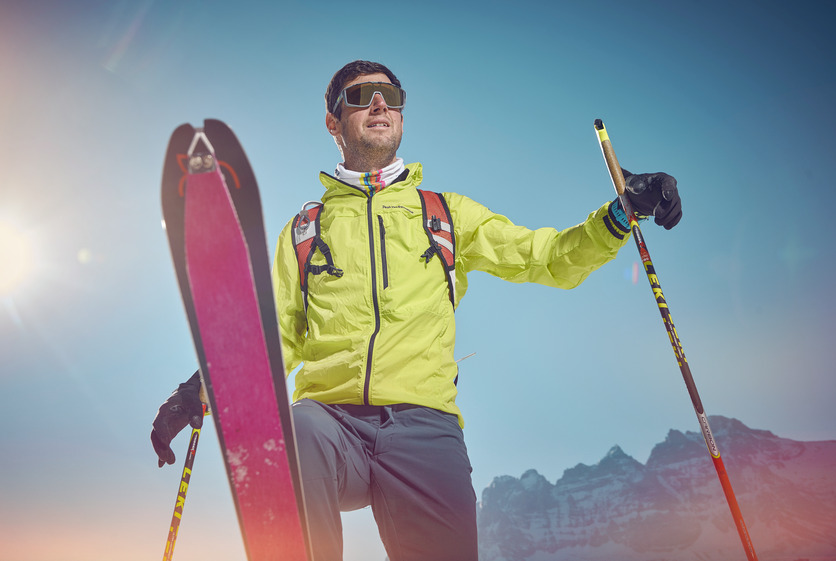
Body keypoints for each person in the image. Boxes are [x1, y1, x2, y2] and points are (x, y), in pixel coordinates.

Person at [151, 60, 682, 561]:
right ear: (333, 122)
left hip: (425, 428)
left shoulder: (445, 214)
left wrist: (620, 214)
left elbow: (547, 258)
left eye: (391, 95)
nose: (379, 103)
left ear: (402, 113)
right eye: (362, 96)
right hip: (330, 424)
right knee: (296, 431)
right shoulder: (306, 231)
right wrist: (198, 390)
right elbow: (274, 338)